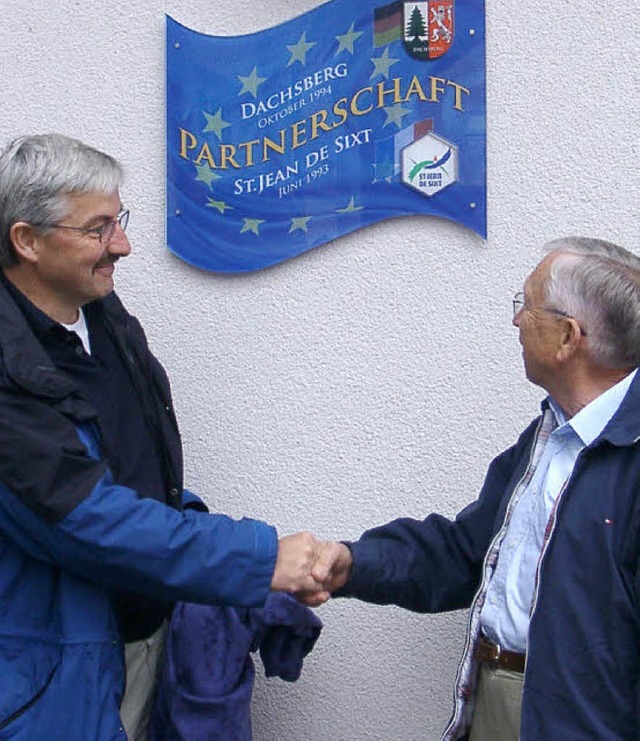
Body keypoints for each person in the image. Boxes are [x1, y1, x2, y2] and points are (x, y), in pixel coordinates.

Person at [0, 133, 325, 740]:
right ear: (27, 241)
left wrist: (203, 536)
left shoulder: (109, 326)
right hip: (49, 679)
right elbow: (81, 518)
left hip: (142, 644)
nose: (121, 245)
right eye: (98, 229)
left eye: (118, 220)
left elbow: (136, 474)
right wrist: (258, 558)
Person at [310, 237, 640, 740]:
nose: (515, 321)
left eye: (526, 306)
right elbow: (468, 553)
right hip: (495, 702)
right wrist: (352, 563)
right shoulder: (550, 436)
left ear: (569, 337)